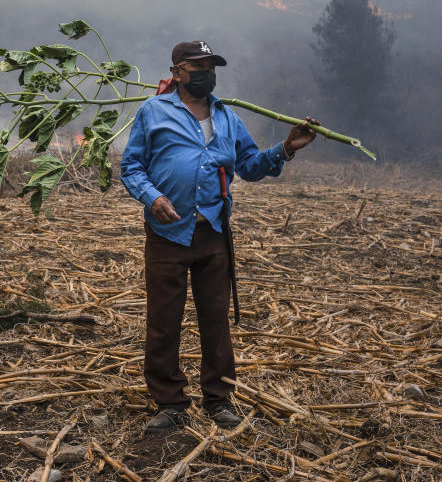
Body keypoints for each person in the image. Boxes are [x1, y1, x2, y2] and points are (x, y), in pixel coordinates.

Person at [120, 40, 319, 432]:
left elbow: (249, 165)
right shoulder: (154, 112)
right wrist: (153, 197)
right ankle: (170, 403)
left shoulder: (226, 117)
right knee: (164, 320)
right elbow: (131, 167)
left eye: (211, 66)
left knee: (216, 320)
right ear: (177, 71)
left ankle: (218, 399)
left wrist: (286, 148)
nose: (206, 72)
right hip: (167, 234)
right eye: (198, 66)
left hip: (213, 232)